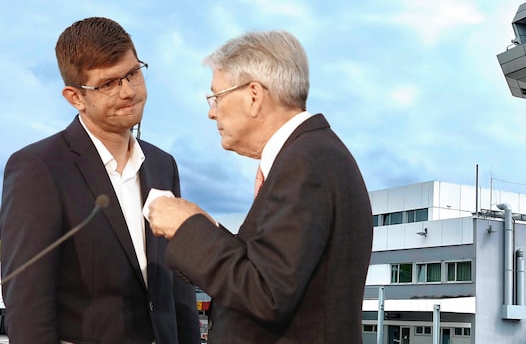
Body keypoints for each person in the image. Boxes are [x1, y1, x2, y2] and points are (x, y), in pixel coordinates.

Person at [147, 30, 374, 343]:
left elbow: (266, 293)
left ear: (253, 96)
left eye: (216, 97)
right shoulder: (311, 155)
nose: (211, 112)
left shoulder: (306, 163)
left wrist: (187, 227)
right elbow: (270, 269)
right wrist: (206, 226)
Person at [0, 17, 201, 343]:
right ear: (75, 97)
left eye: (133, 73)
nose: (129, 91)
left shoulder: (164, 165)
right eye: (108, 84)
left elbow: (178, 286)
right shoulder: (39, 167)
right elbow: (27, 304)